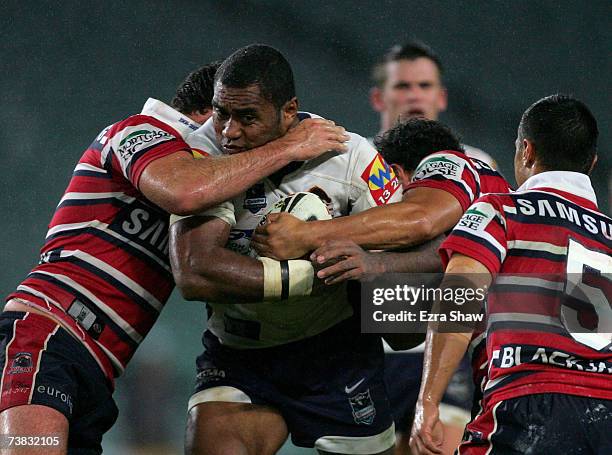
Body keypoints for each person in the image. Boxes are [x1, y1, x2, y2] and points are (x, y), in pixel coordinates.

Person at [0, 61, 349, 453]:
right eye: (230, 121)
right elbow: (184, 190)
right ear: (210, 114)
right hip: (49, 332)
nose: (237, 138)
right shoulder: (140, 131)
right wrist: (289, 146)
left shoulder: (215, 188)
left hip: (99, 366)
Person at [169, 44, 402, 455]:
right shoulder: (201, 151)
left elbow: (403, 243)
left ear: (288, 110)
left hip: (336, 353)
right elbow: (195, 272)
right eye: (222, 112)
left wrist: (365, 265)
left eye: (247, 117)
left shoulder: (351, 158)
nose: (229, 132)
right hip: (241, 354)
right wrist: (312, 275)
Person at [410, 94, 611, 454]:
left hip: (529, 406)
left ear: (527, 152)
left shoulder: (502, 211)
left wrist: (427, 402)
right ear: (592, 163)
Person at [307, 119, 502, 455]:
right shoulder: (495, 199)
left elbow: (432, 230)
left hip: (493, 366)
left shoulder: (452, 177)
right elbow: (401, 333)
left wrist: (311, 237)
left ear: (395, 174)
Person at [369, 40, 497, 168]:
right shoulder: (356, 159)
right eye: (403, 86)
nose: (415, 96)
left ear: (442, 98)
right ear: (378, 99)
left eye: (425, 86)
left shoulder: (476, 164)